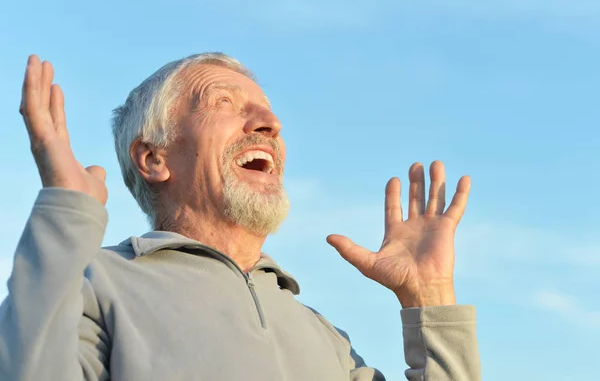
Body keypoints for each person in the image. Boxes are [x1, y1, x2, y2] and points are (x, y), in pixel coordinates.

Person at [0, 53, 481, 380]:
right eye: (224, 103)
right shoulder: (93, 285)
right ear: (153, 159)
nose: (269, 124)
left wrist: (429, 299)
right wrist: (66, 209)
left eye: (267, 112)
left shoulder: (326, 339)